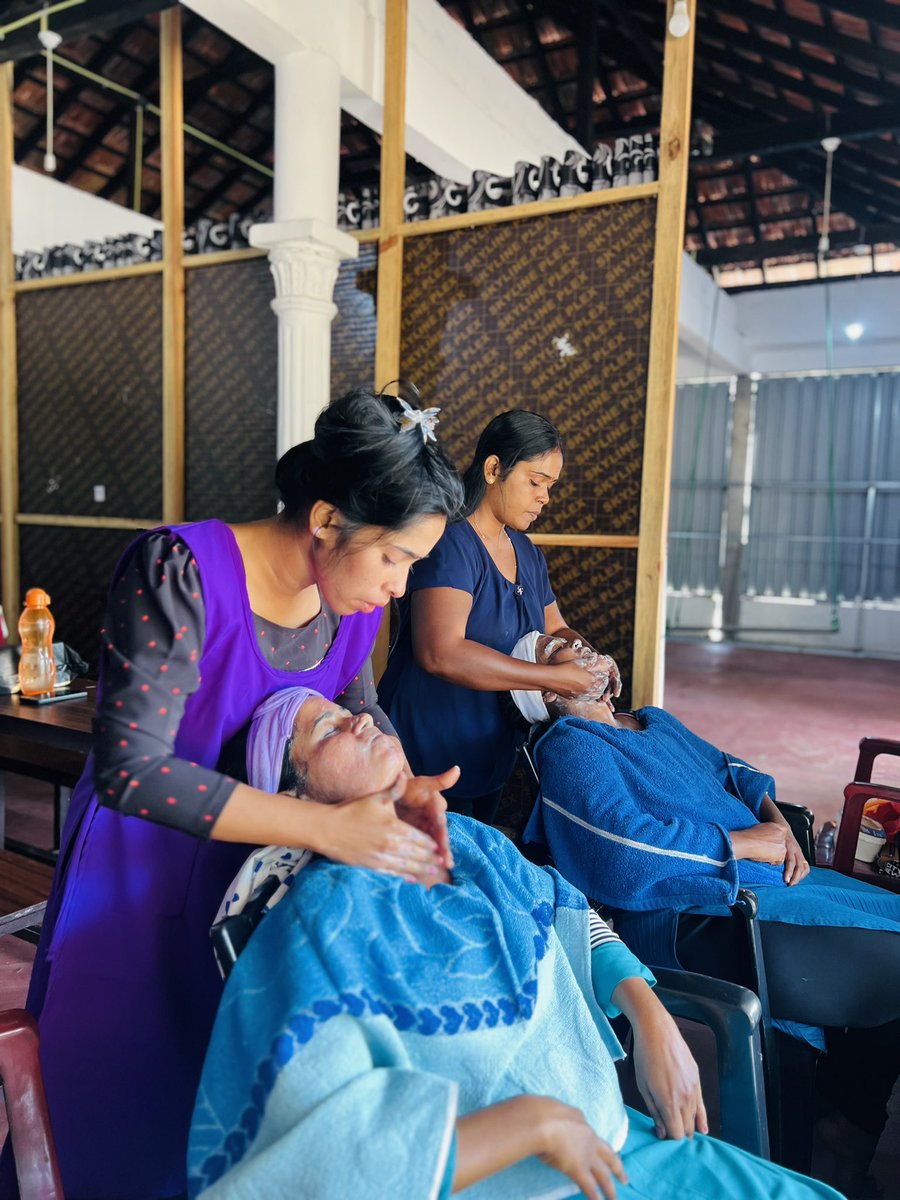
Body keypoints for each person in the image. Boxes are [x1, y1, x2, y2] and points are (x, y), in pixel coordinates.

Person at [11, 389, 464, 1200]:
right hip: (136, 884)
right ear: (326, 520)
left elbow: (357, 709)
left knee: (223, 1109)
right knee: (111, 1109)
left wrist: (401, 782)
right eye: (395, 559)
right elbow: (131, 770)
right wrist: (327, 831)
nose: (400, 587)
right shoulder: (180, 570)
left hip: (253, 892)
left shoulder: (344, 603)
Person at [187, 685, 844, 1200]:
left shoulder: (470, 842)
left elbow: (563, 908)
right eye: (326, 730)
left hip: (607, 1134)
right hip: (506, 1176)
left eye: (345, 710)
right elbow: (319, 1159)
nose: (361, 718)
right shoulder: (321, 918)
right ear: (297, 796)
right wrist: (533, 1125)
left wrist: (650, 1015)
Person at [513, 631, 900, 1194]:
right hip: (705, 911)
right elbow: (624, 852)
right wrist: (743, 844)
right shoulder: (571, 746)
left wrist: (780, 827)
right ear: (545, 691)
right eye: (557, 653)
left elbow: (733, 770)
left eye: (583, 644)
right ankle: (842, 1139)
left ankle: (845, 1134)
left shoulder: (654, 721)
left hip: (774, 878)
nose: (584, 650)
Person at [379, 409, 620, 822]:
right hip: (424, 748)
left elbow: (556, 627)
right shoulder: (451, 541)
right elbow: (441, 652)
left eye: (551, 486)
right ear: (494, 469)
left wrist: (590, 659)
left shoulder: (526, 551)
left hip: (489, 749)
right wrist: (554, 678)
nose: (545, 496)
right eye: (536, 482)